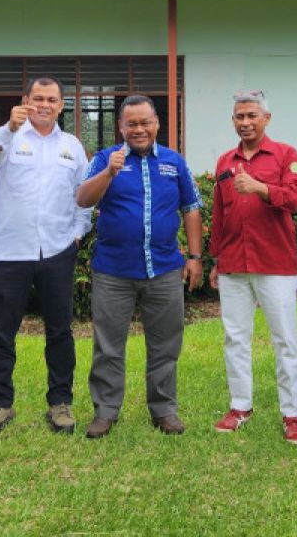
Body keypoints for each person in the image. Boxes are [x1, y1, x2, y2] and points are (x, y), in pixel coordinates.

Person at [76, 95, 203, 439]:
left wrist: (194, 257)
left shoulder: (174, 163)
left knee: (165, 344)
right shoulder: (105, 158)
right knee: (108, 344)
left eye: (145, 122)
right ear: (120, 127)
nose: (139, 129)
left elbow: (191, 208)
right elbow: (82, 199)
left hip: (163, 268)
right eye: (131, 123)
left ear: (157, 123)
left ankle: (164, 409)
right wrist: (109, 172)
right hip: (113, 271)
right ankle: (105, 411)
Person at [0, 78, 92, 435]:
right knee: (2, 331)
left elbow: (82, 196)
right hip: (11, 250)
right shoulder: (10, 138)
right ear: (25, 100)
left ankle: (60, 403)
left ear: (61, 105)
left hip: (57, 250)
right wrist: (9, 128)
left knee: (59, 330)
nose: (44, 104)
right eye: (38, 98)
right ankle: (0, 404)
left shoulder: (72, 147)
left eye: (52, 99)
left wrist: (76, 234)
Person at [208, 90, 297, 444]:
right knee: (235, 338)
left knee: (285, 340)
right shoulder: (224, 161)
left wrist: (260, 187)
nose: (245, 122)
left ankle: (292, 415)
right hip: (234, 262)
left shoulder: (285, 155)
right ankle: (240, 407)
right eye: (239, 116)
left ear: (267, 118)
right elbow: (219, 214)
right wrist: (216, 259)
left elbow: (295, 200)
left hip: (275, 262)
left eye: (252, 115)